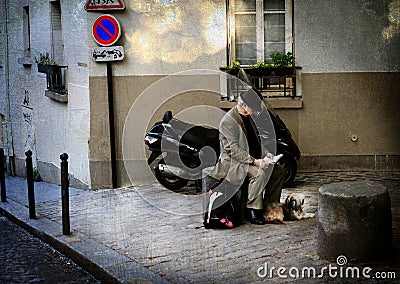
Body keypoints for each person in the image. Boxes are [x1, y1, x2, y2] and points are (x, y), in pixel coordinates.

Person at [210, 88, 285, 225]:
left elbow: (255, 141)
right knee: (259, 174)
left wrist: (266, 153)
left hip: (249, 158)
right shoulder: (228, 121)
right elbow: (233, 150)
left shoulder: (248, 117)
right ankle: (253, 209)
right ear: (243, 105)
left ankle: (270, 207)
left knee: (279, 170)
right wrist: (255, 161)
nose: (256, 112)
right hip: (234, 163)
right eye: (254, 108)